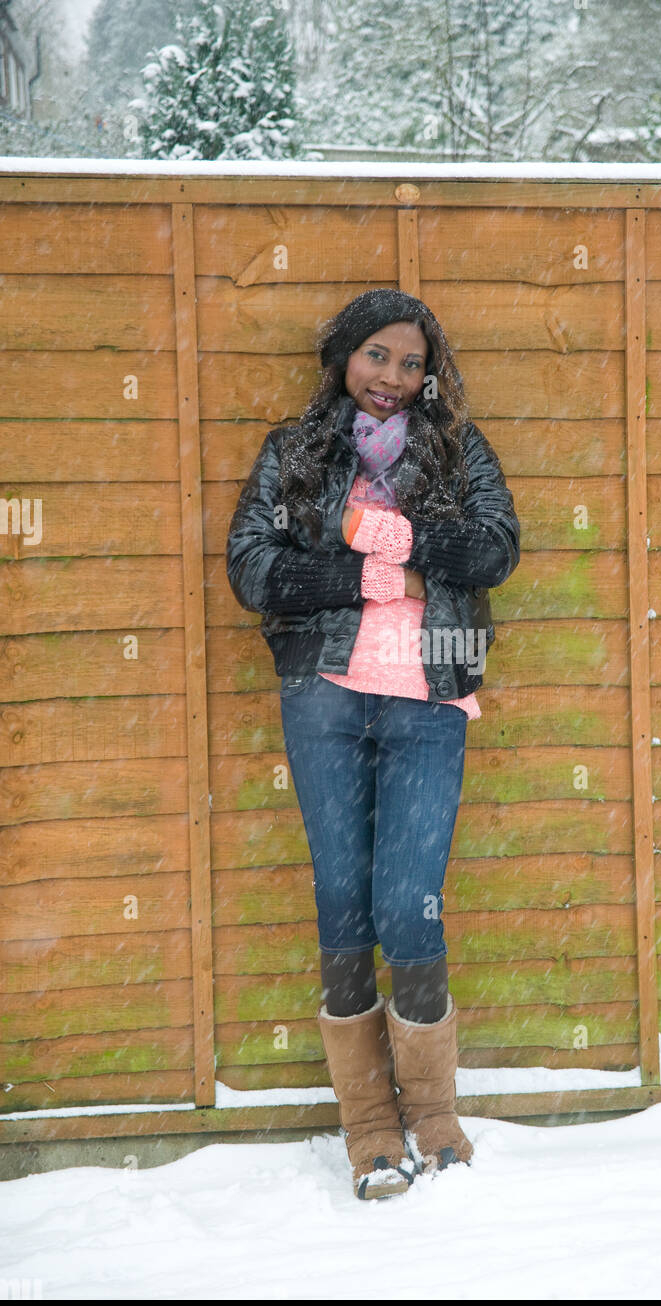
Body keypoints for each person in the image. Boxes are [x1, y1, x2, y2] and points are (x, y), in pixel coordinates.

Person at [226, 288, 520, 1200]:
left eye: (410, 362)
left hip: (432, 700)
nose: (393, 377)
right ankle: (369, 1130)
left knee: (408, 901)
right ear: (343, 357)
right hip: (323, 697)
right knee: (343, 900)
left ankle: (433, 1113)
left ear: (430, 374)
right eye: (376, 356)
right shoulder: (296, 452)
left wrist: (418, 539)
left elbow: (497, 549)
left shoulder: (456, 449)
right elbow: (251, 565)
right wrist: (357, 573)